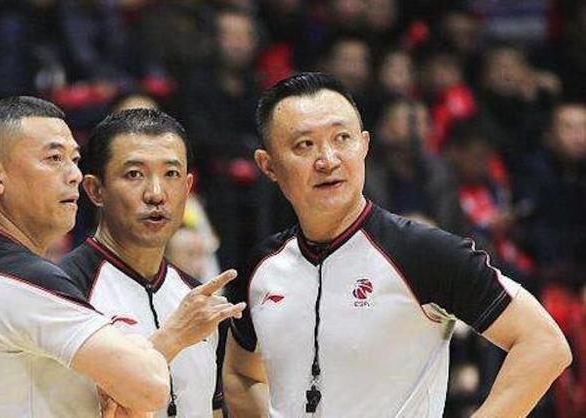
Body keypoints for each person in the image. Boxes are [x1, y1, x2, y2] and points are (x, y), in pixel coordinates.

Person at [223, 73, 572, 417]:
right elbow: (241, 375)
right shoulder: (260, 267)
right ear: (268, 165)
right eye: (304, 145)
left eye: (341, 138)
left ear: (364, 145)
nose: (327, 160)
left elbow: (544, 344)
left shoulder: (421, 251)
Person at [0, 96, 171, 418]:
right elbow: (150, 387)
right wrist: (163, 340)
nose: (74, 174)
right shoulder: (18, 279)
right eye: (54, 158)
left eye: (74, 159)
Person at [61, 109, 246, 417]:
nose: (156, 194)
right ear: (95, 190)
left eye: (171, 174)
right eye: (134, 174)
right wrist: (174, 336)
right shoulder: (62, 292)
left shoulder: (197, 298)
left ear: (187, 188)